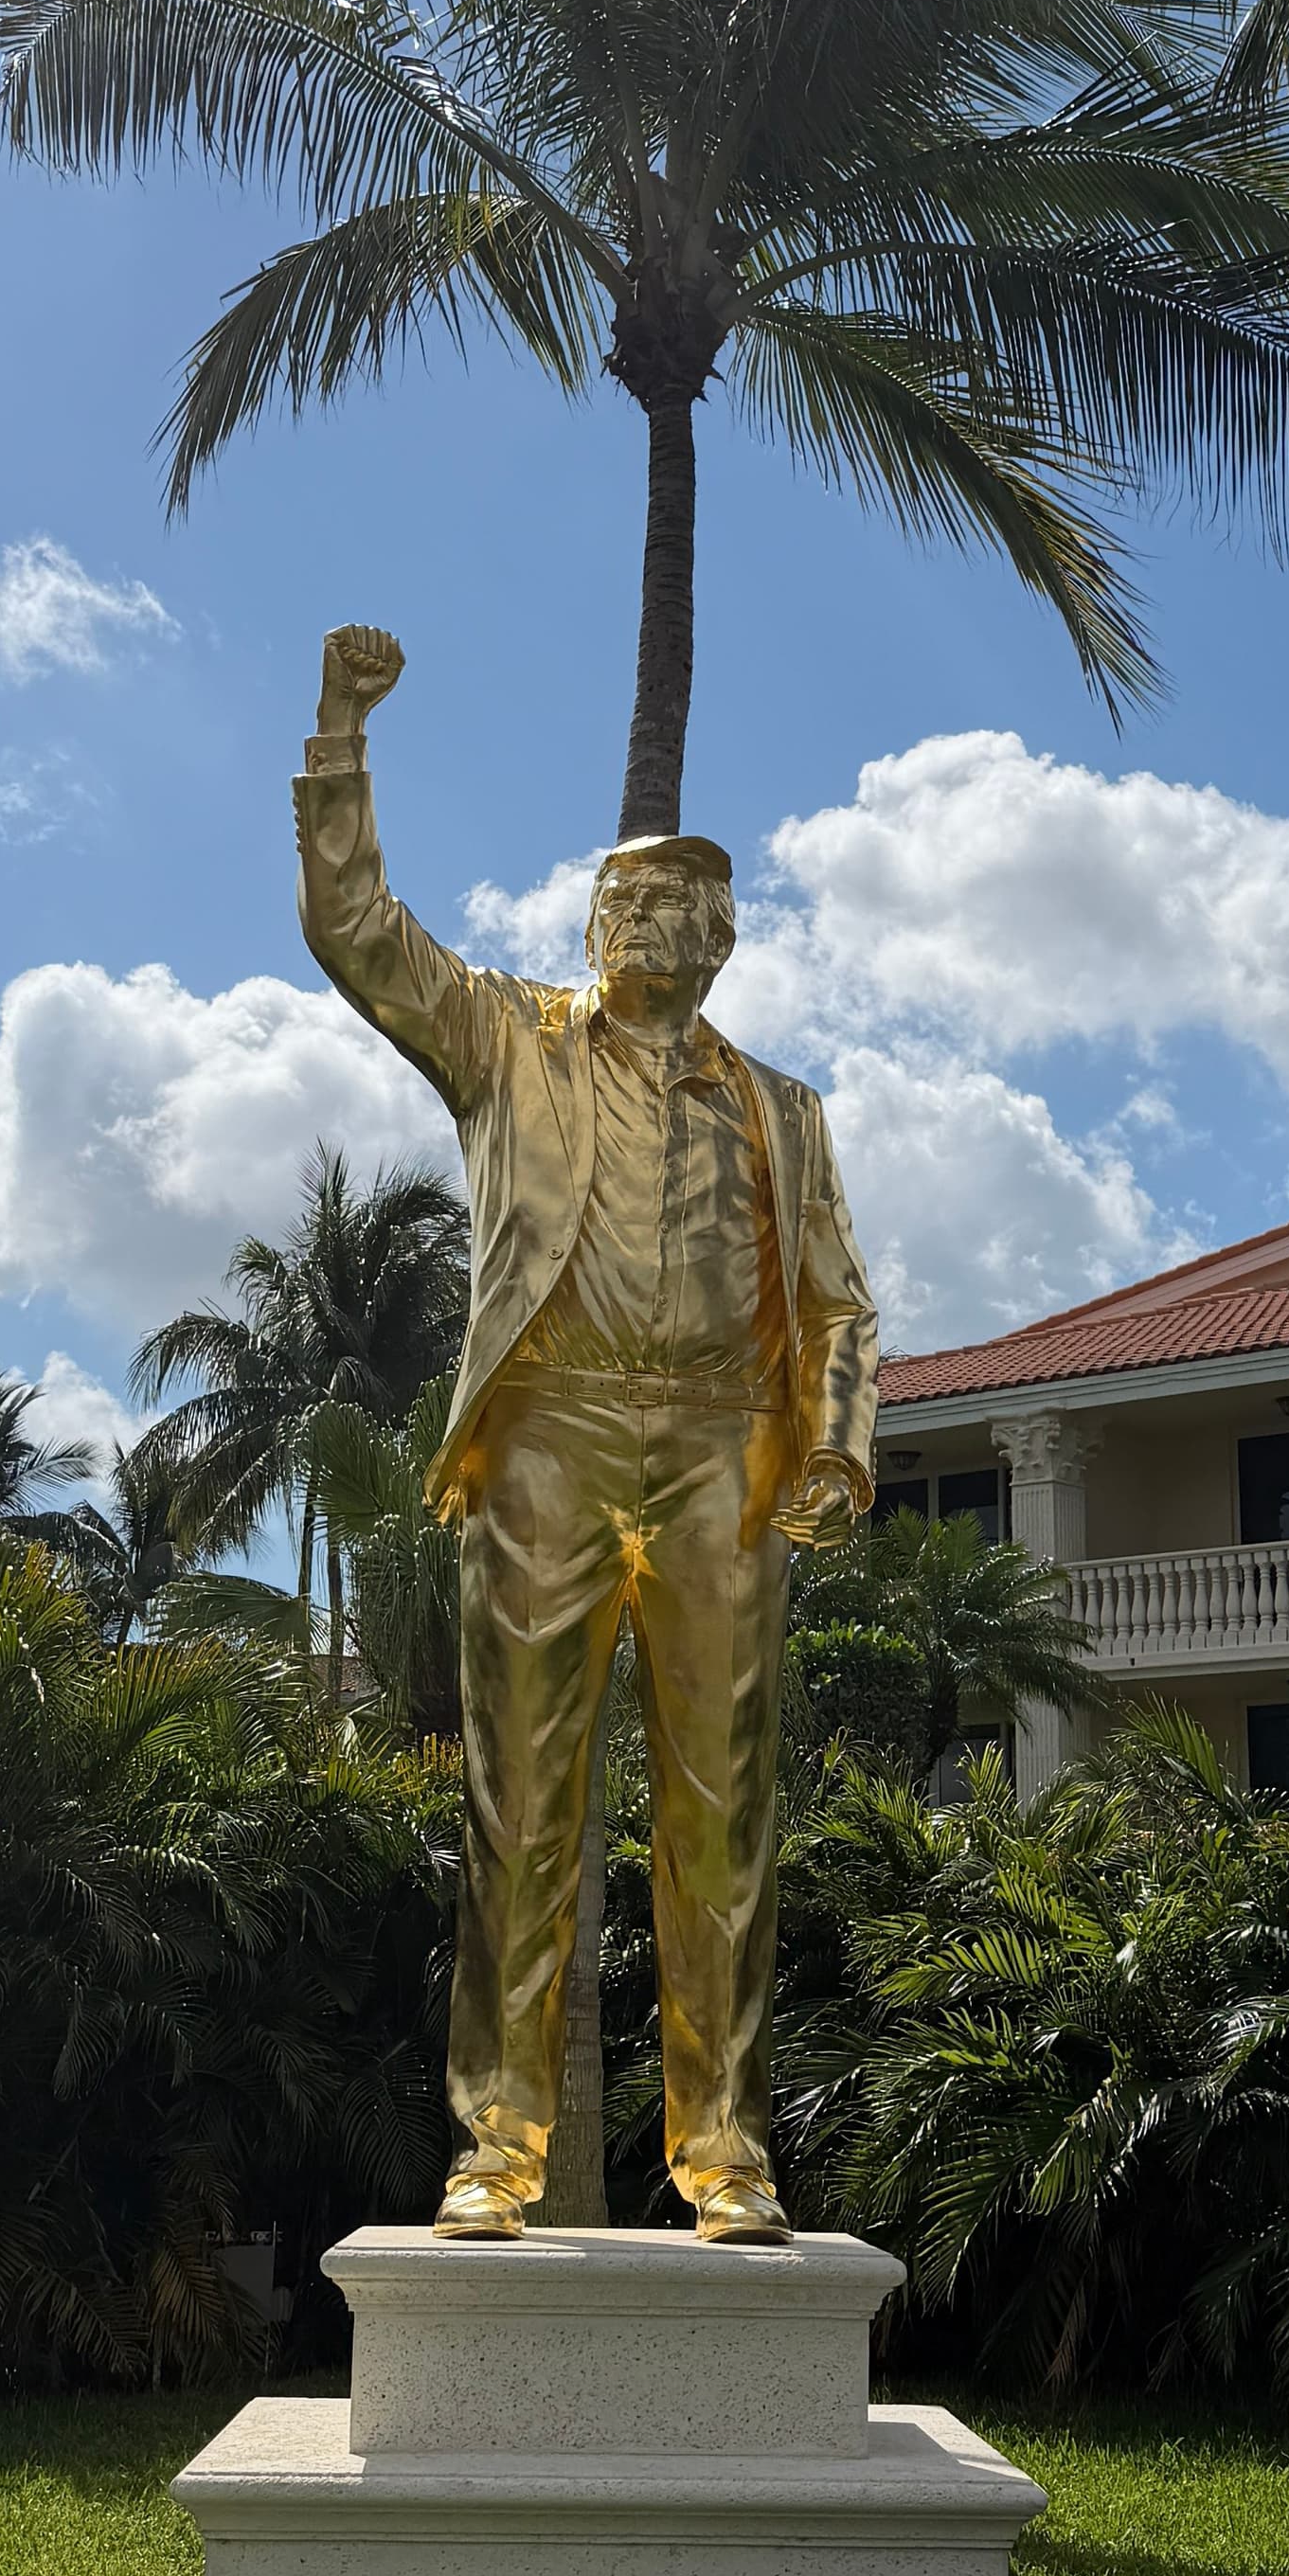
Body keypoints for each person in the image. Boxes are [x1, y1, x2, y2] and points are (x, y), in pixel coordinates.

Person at [295, 621, 878, 2240]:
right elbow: (358, 931)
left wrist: (835, 1445)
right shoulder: (508, 1042)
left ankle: (727, 2153)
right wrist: (341, 739)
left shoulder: (783, 1111)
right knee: (521, 1802)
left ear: (726, 941)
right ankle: (498, 2147)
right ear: (591, 925)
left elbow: (838, 1303)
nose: (655, 929)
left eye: (687, 911)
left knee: (725, 1818)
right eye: (630, 905)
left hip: (722, 1457)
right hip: (551, 1432)